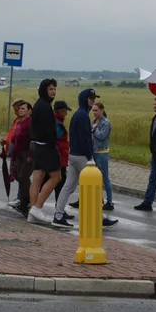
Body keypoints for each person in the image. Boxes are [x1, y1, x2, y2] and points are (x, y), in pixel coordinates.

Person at [54, 89, 96, 227]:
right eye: (90, 98)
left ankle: (58, 215)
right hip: (82, 156)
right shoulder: (83, 115)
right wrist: (90, 156)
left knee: (68, 187)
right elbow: (86, 138)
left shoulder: (78, 115)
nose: (93, 100)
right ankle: (98, 218)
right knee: (93, 185)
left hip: (73, 155)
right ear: (84, 99)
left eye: (94, 98)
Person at [26, 79, 62, 224]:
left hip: (36, 145)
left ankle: (32, 212)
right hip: (46, 146)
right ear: (43, 90)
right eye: (50, 89)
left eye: (54, 89)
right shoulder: (45, 107)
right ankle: (37, 208)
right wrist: (53, 142)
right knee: (56, 177)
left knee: (37, 178)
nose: (53, 91)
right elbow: (48, 130)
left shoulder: (38, 105)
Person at [8, 101, 33, 215]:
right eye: (20, 109)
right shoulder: (19, 122)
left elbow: (33, 139)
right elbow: (14, 137)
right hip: (18, 154)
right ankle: (24, 201)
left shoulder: (30, 122)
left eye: (23, 108)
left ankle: (27, 202)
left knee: (24, 177)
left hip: (27, 153)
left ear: (29, 110)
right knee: (19, 176)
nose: (20, 110)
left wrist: (31, 155)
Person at [90, 100, 115, 211]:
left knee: (105, 178)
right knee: (94, 178)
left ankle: (110, 201)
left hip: (102, 153)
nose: (94, 113)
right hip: (93, 152)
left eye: (96, 110)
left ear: (102, 110)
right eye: (93, 110)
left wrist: (94, 129)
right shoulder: (93, 121)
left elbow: (101, 136)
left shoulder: (106, 123)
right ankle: (97, 199)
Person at [52, 100, 71, 212]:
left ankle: (31, 203)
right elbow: (56, 139)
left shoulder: (56, 121)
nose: (66, 113)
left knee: (46, 183)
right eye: (65, 111)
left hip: (58, 157)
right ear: (60, 111)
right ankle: (60, 210)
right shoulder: (58, 124)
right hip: (59, 158)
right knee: (60, 185)